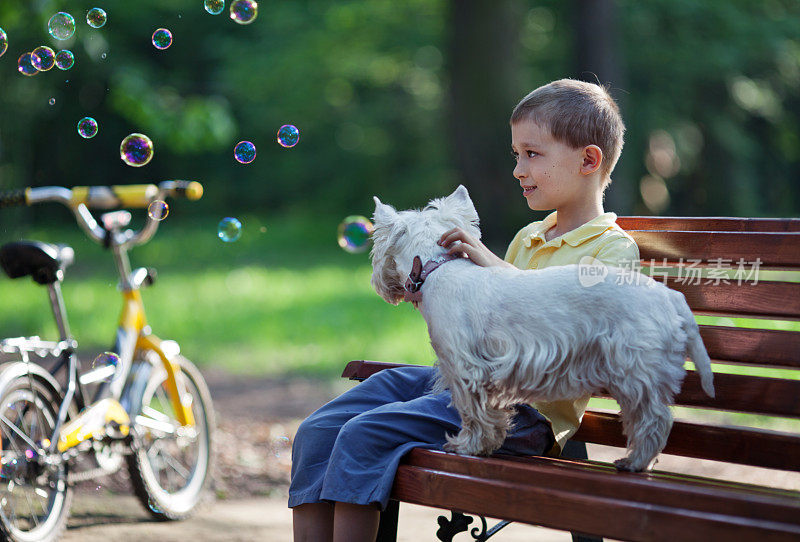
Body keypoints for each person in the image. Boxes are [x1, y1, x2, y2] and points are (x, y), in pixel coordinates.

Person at [290, 78, 640, 542]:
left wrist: (492, 267)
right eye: (516, 154)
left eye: (532, 154)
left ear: (588, 160)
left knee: (364, 433)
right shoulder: (529, 238)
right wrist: (434, 293)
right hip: (458, 382)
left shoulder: (612, 253)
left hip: (521, 414)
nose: (518, 169)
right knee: (320, 428)